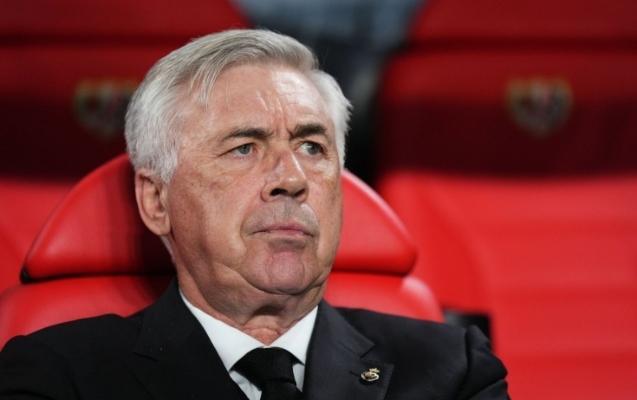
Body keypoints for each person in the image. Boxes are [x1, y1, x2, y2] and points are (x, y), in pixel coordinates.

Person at [0, 29, 509, 399]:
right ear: (156, 201)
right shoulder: (56, 377)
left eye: (312, 147)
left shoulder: (454, 370)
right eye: (244, 148)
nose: (292, 177)